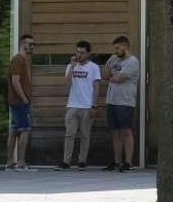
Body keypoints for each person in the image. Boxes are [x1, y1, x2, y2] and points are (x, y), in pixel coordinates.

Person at [56, 40, 101, 170]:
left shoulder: (94, 67)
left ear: (88, 53)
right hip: (72, 105)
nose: (79, 54)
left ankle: (82, 161)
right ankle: (66, 161)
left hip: (87, 106)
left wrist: (95, 105)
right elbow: (68, 85)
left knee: (85, 135)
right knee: (69, 134)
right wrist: (72, 66)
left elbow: (97, 87)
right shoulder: (71, 66)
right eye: (77, 52)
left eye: (82, 52)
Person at [103, 36, 140, 172]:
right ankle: (116, 161)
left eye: (118, 48)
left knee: (126, 131)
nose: (116, 51)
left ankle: (128, 162)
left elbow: (119, 79)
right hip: (111, 100)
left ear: (125, 46)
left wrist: (111, 77)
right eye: (115, 48)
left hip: (125, 102)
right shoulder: (114, 60)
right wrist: (109, 62)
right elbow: (105, 75)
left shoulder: (132, 62)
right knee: (115, 132)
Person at [5, 34, 36, 172]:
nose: (32, 47)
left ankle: (10, 162)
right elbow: (15, 81)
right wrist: (24, 99)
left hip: (17, 101)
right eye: (30, 45)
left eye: (33, 45)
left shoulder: (21, 60)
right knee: (24, 130)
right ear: (23, 44)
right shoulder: (18, 59)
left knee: (14, 131)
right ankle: (21, 162)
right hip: (19, 101)